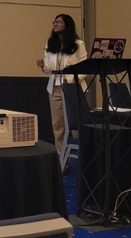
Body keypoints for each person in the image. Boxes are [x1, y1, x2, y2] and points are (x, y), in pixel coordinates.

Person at [36, 14, 87, 170]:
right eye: (55, 22)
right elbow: (49, 69)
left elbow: (84, 68)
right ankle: (62, 160)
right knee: (58, 125)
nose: (56, 24)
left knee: (74, 124)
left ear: (67, 25)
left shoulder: (78, 44)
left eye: (59, 22)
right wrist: (43, 66)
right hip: (55, 88)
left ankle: (83, 157)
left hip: (72, 88)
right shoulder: (50, 44)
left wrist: (69, 78)